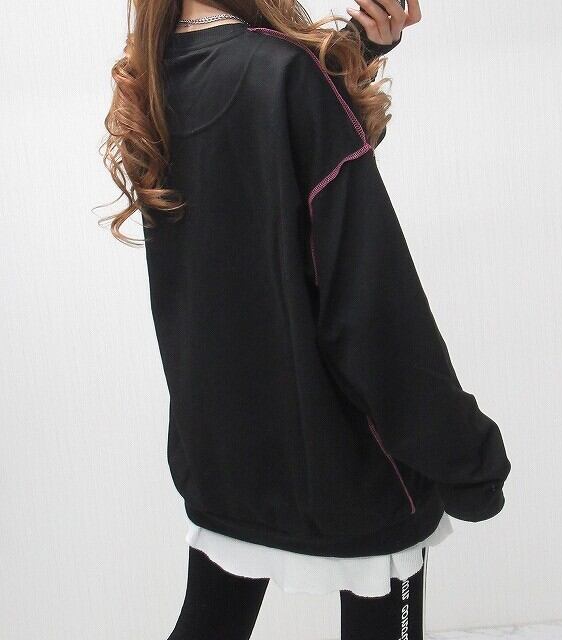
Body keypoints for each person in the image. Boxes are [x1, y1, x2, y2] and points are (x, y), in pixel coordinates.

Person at [99, 1, 512, 638]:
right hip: (349, 467)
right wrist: (465, 455)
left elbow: (255, 157)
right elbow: (373, 308)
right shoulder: (286, 74)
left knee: (210, 623)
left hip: (224, 458)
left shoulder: (157, 77)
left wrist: (354, 50)